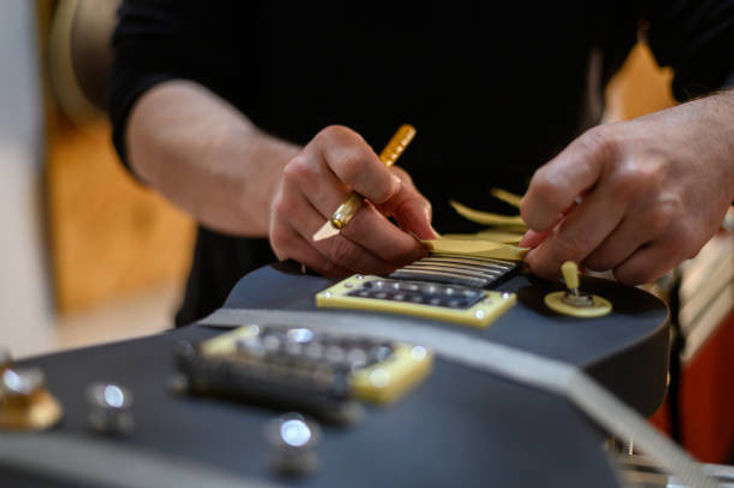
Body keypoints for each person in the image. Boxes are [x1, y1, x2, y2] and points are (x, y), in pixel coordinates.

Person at [110, 0, 734, 325]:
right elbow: (152, 78)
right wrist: (278, 183)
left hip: (546, 348)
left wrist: (713, 140)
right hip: (267, 337)